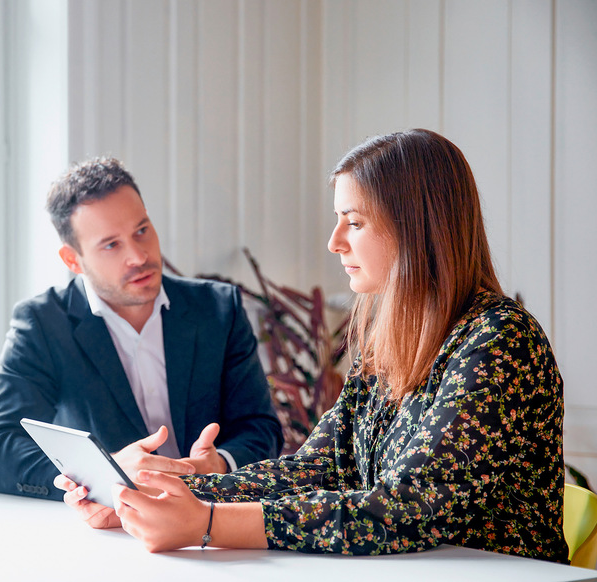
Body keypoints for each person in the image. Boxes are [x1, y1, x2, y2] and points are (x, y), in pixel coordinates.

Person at [56, 129, 568, 563]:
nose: (335, 241)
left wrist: (208, 523)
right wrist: (158, 495)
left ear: (418, 227)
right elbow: (319, 467)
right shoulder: (387, 340)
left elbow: (408, 509)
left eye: (355, 221)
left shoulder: (499, 342)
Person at [0, 156, 283, 500]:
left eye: (142, 231)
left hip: (210, 513)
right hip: (111, 527)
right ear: (72, 259)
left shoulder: (219, 308)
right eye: (111, 245)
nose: (138, 256)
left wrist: (220, 465)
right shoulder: (43, 324)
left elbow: (260, 427)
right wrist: (105, 473)